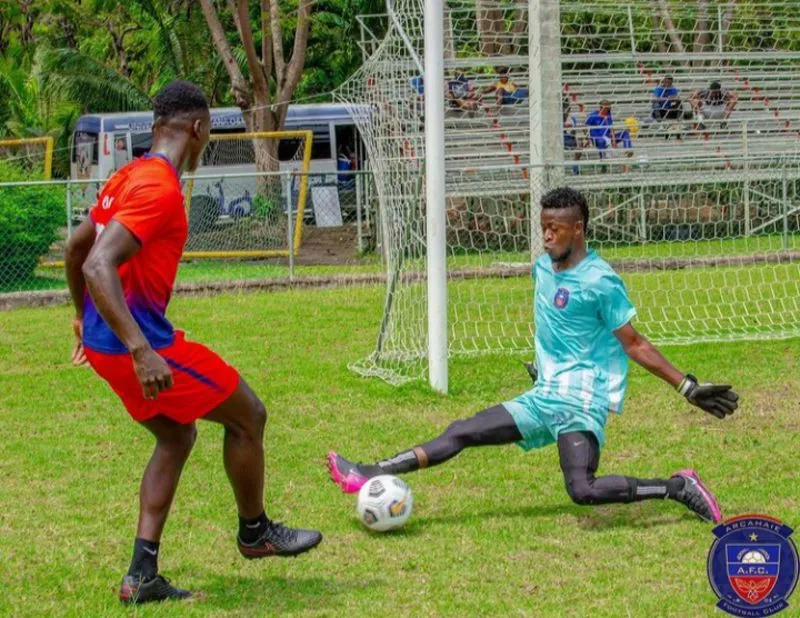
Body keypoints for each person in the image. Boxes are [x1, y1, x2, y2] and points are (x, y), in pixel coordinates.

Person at [328, 187, 738, 526]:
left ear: (578, 229)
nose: (546, 236)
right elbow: (557, 327)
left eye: (554, 228)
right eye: (543, 227)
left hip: (581, 401)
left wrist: (687, 386)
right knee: (462, 430)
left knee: (583, 490)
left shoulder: (601, 281)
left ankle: (679, 487)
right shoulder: (543, 269)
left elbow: (634, 343)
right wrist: (544, 367)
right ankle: (372, 470)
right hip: (545, 396)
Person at [64, 80, 322, 606]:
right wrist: (140, 349)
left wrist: (80, 319)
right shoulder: (158, 187)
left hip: (102, 341)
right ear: (199, 130)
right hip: (134, 345)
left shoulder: (126, 175)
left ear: (158, 126)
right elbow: (96, 262)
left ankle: (142, 575)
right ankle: (255, 532)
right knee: (248, 415)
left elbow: (74, 245)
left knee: (176, 438)